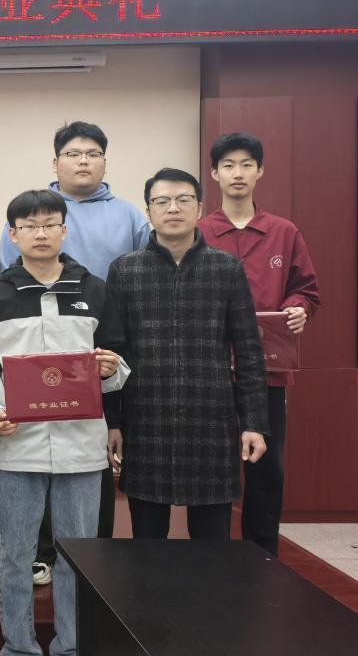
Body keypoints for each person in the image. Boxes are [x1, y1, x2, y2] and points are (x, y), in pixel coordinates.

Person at [0, 190, 129, 656]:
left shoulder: (93, 289)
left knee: (76, 555)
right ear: (13, 234)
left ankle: (71, 651)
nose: (40, 233)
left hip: (81, 449)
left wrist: (111, 369)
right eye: (29, 225)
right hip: (19, 447)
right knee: (15, 555)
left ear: (64, 229)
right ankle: (18, 652)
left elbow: (118, 364)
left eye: (49, 223)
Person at [0, 122, 149, 586]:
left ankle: (91, 557)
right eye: (73, 153)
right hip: (35, 357)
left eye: (93, 153)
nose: (83, 160)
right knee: (37, 456)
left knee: (90, 460)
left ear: (104, 160)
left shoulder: (129, 216)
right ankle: (44, 554)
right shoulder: (30, 213)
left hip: (100, 349)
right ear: (56, 161)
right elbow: (9, 285)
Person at [105, 169, 269, 541]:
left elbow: (248, 352)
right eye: (162, 201)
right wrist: (112, 422)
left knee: (212, 547)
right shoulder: (125, 270)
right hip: (145, 421)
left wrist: (254, 423)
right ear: (149, 211)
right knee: (147, 544)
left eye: (183, 200)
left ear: (199, 208)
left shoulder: (227, 269)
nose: (173, 208)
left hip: (210, 421)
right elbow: (114, 356)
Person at [199, 133, 321, 556]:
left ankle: (262, 555)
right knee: (212, 468)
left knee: (266, 469)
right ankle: (213, 556)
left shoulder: (284, 232)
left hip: (267, 371)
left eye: (247, 164)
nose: (238, 173)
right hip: (209, 373)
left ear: (260, 171)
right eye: (228, 165)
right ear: (214, 173)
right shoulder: (199, 232)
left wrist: (298, 308)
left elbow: (306, 290)